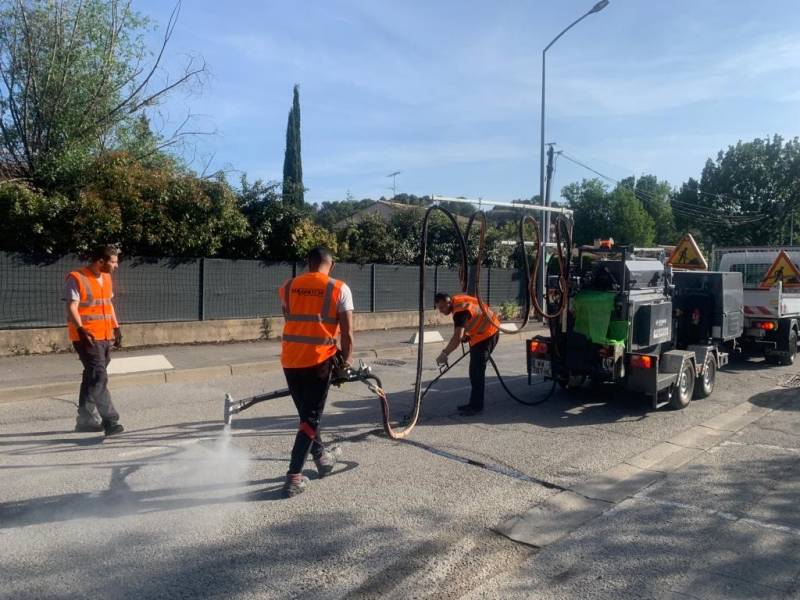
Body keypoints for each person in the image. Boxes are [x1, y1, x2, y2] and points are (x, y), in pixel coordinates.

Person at [279, 247, 354, 498]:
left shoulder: (288, 286)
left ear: (308, 263)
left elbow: (290, 319)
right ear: (331, 265)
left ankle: (321, 458)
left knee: (306, 414)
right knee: (311, 418)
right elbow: (348, 334)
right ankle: (293, 477)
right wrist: (344, 365)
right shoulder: (339, 288)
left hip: (290, 360)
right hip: (319, 361)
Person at [64, 245, 124, 436]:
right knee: (99, 376)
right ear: (100, 261)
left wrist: (116, 327)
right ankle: (110, 421)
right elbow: (72, 306)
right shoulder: (76, 277)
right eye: (113, 261)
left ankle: (86, 420)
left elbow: (108, 304)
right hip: (87, 338)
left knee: (93, 376)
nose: (116, 265)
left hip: (105, 336)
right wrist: (81, 330)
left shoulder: (106, 278)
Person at [434, 292, 500, 416]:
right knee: (474, 371)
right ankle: (473, 404)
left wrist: (445, 353)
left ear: (449, 302)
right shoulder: (457, 303)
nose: (441, 311)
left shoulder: (460, 310)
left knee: (476, 371)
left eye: (443, 307)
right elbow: (472, 320)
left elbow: (457, 337)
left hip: (488, 334)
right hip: (481, 334)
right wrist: (467, 335)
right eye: (439, 308)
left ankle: (476, 407)